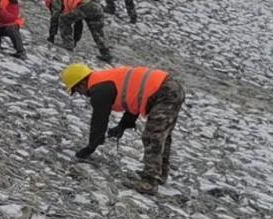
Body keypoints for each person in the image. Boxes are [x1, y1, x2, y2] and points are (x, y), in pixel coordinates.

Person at [61, 63, 186, 196]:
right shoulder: (105, 79)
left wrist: (91, 146)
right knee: (163, 136)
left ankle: (150, 182)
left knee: (152, 136)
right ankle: (159, 174)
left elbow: (99, 121)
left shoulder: (99, 90)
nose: (81, 94)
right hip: (170, 89)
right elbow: (135, 98)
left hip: (164, 92)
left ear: (81, 83)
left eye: (77, 90)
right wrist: (123, 125)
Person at [45, 0, 113, 61]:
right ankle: (106, 54)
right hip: (97, 7)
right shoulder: (70, 1)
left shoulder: (56, 1)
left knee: (63, 19)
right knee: (97, 32)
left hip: (87, 5)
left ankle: (68, 44)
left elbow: (55, 18)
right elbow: (78, 24)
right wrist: (75, 41)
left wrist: (51, 36)